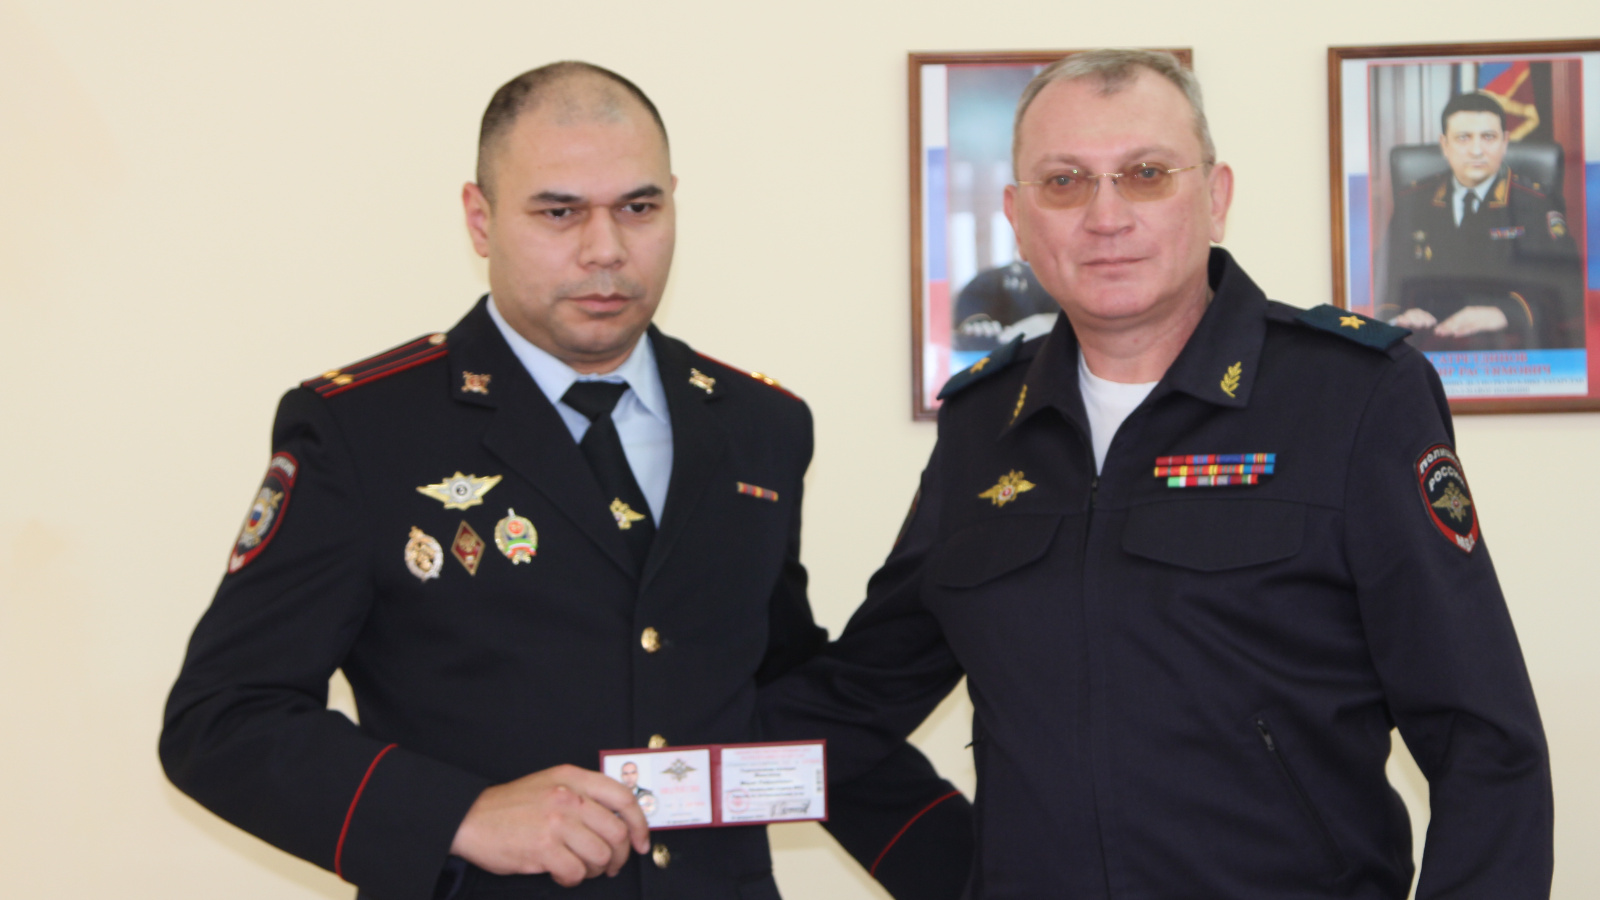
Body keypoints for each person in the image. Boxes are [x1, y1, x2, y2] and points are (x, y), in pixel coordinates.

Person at [161, 61, 971, 900]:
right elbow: (223, 719)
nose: (606, 249)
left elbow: (773, 703)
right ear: (480, 219)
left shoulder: (758, 426)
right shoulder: (365, 431)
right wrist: (461, 815)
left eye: (639, 208)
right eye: (559, 212)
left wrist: (978, 872)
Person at [763, 50, 1552, 898]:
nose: (1106, 216)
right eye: (1064, 182)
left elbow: (1484, 741)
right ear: (1019, 218)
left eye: (1145, 174)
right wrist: (659, 754)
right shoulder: (983, 424)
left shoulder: (1352, 396)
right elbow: (863, 695)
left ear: (1216, 197)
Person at [1381, 91, 1584, 351]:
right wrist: (1400, 316)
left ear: (1505, 142)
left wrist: (1505, 314)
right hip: (1430, 343)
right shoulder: (1413, 200)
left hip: (1509, 346)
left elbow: (1568, 285)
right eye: (1463, 138)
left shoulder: (1536, 202)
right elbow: (1388, 276)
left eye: (1488, 137)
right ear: (1444, 145)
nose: (1477, 150)